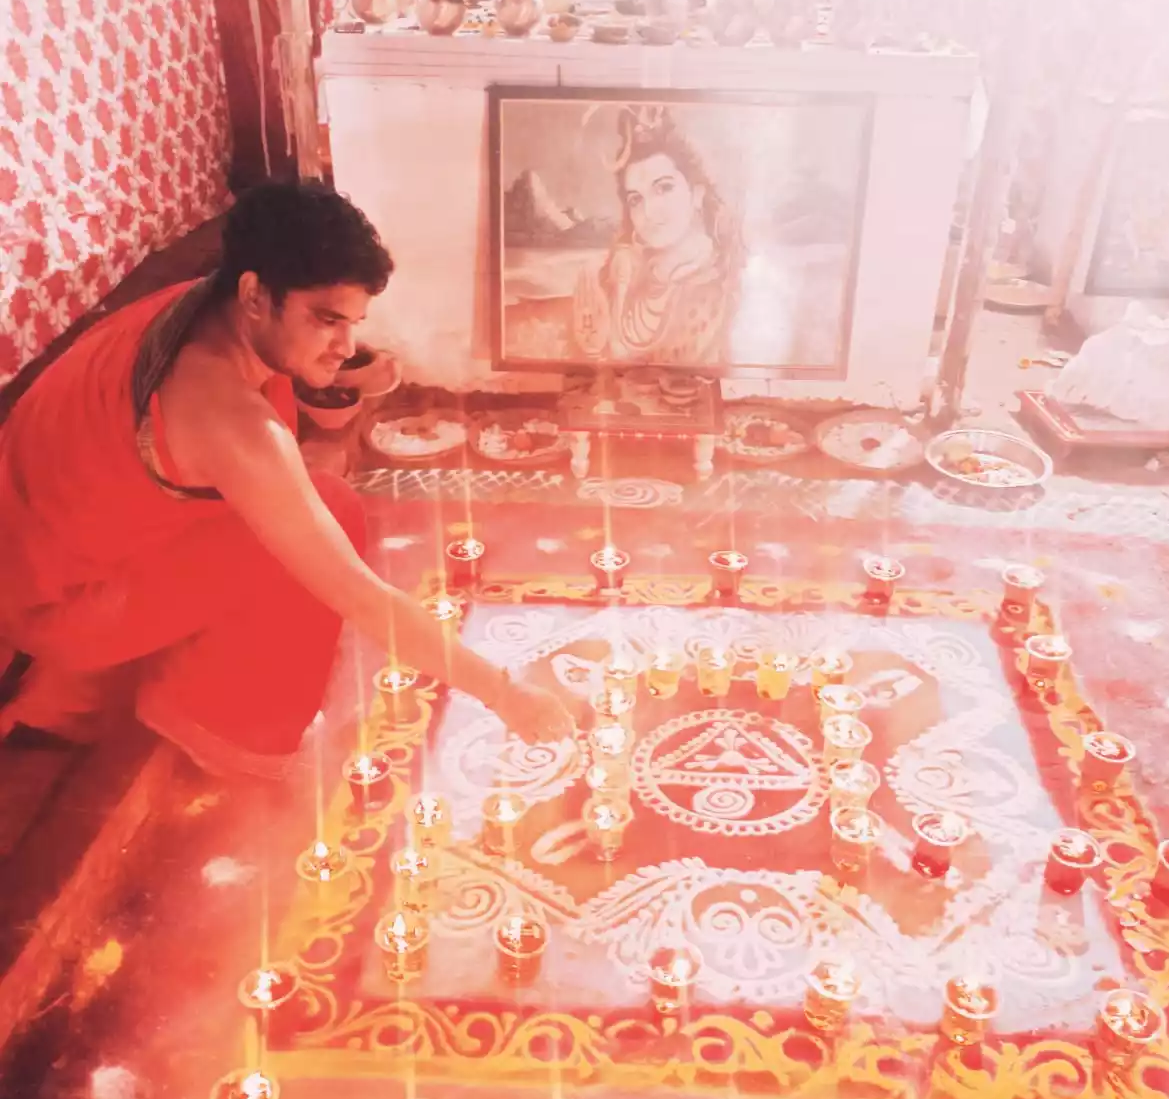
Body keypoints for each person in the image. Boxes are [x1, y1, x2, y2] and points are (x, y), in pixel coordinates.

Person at [0, 180, 574, 777]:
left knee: (305, 498)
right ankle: (218, 725)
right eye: (327, 321)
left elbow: (281, 366)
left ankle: (192, 674)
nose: (345, 345)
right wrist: (504, 693)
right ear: (255, 293)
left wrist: (345, 376)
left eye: (354, 322)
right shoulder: (224, 415)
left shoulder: (204, 302)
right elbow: (360, 596)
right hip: (58, 608)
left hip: (34, 553)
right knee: (329, 511)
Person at [572, 104, 741, 369]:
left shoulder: (724, 282)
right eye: (636, 199)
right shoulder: (625, 274)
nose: (649, 212)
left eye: (664, 188)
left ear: (697, 194)